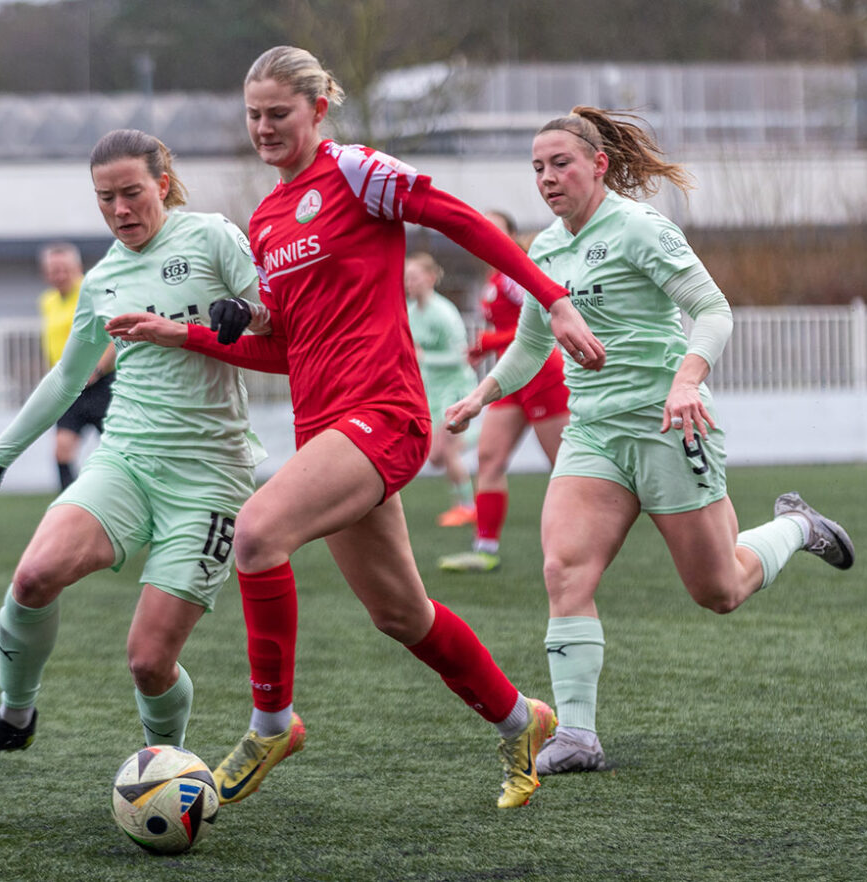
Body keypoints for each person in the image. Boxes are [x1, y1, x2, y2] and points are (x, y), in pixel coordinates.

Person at [106, 46, 606, 810]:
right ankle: (523, 718)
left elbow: (462, 220)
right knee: (402, 614)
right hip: (329, 433)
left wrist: (553, 297)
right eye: (254, 115)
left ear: (317, 109)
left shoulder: (355, 171)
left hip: (386, 416)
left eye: (280, 113)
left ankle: (272, 721)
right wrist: (190, 334)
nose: (265, 127)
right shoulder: (268, 220)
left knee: (257, 533)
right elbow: (286, 348)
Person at [443, 106, 856, 775]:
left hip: (669, 425)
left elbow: (713, 310)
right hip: (594, 434)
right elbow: (528, 347)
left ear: (598, 164)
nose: (547, 178)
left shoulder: (638, 228)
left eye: (561, 164)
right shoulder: (542, 250)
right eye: (537, 168)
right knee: (563, 569)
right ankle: (577, 735)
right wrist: (481, 394)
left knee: (717, 590)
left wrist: (688, 380)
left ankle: (795, 527)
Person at [0, 129, 269, 769]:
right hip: (126, 460)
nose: (120, 210)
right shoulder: (104, 277)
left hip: (209, 478)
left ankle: (164, 769)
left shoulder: (212, 237)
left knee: (149, 662)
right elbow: (67, 375)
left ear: (162, 186)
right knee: (33, 576)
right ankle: (13, 716)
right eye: (105, 198)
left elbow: (272, 311)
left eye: (132, 193)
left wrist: (242, 310)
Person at [439, 210, 571, 573]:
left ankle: (579, 547)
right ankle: (485, 548)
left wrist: (488, 341)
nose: (484, 235)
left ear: (511, 235)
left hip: (542, 376)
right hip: (510, 381)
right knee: (489, 459)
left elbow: (544, 323)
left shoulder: (516, 275)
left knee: (567, 469)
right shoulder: (494, 276)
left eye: (494, 229)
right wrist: (485, 347)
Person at [403, 252, 477, 527]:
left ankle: (467, 506)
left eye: (415, 276)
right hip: (432, 393)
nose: (409, 282)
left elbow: (462, 356)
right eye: (407, 277)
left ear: (431, 278)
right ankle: (463, 503)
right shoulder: (410, 312)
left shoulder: (444, 313)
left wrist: (425, 358)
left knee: (447, 451)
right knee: (434, 456)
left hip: (457, 388)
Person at [37, 242, 117, 490]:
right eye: (53, 270)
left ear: (78, 267)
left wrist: (98, 369)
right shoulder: (47, 301)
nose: (58, 275)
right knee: (62, 450)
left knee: (118, 450)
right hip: (69, 386)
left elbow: (115, 336)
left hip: (101, 384)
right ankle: (70, 505)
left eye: (64, 269)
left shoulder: (93, 292)